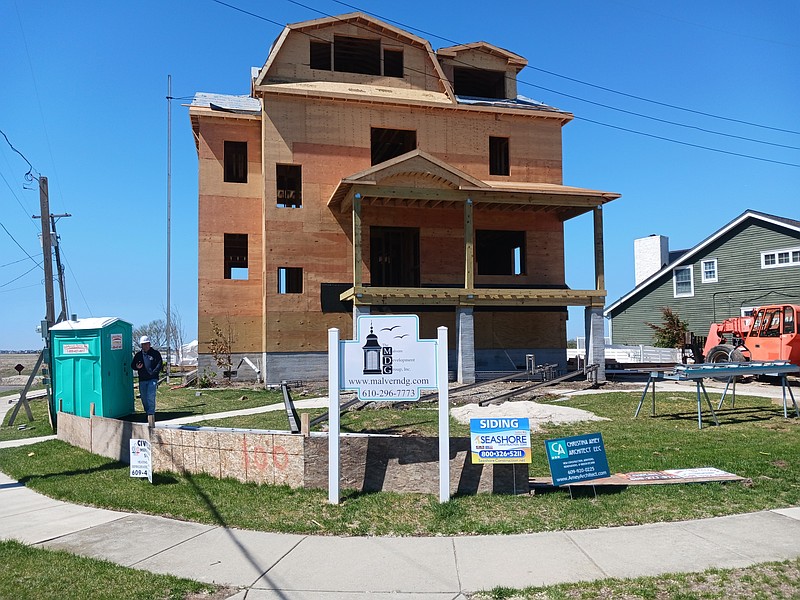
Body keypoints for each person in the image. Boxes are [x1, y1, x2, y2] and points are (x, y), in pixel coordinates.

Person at [131, 335, 163, 427]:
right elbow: (132, 365)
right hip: (142, 379)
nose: (144, 346)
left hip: (152, 379)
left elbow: (159, 364)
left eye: (146, 344)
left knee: (150, 396)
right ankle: (147, 413)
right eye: (143, 344)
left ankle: (151, 414)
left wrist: (154, 373)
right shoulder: (138, 355)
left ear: (149, 344)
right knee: (144, 397)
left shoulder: (155, 353)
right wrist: (137, 367)